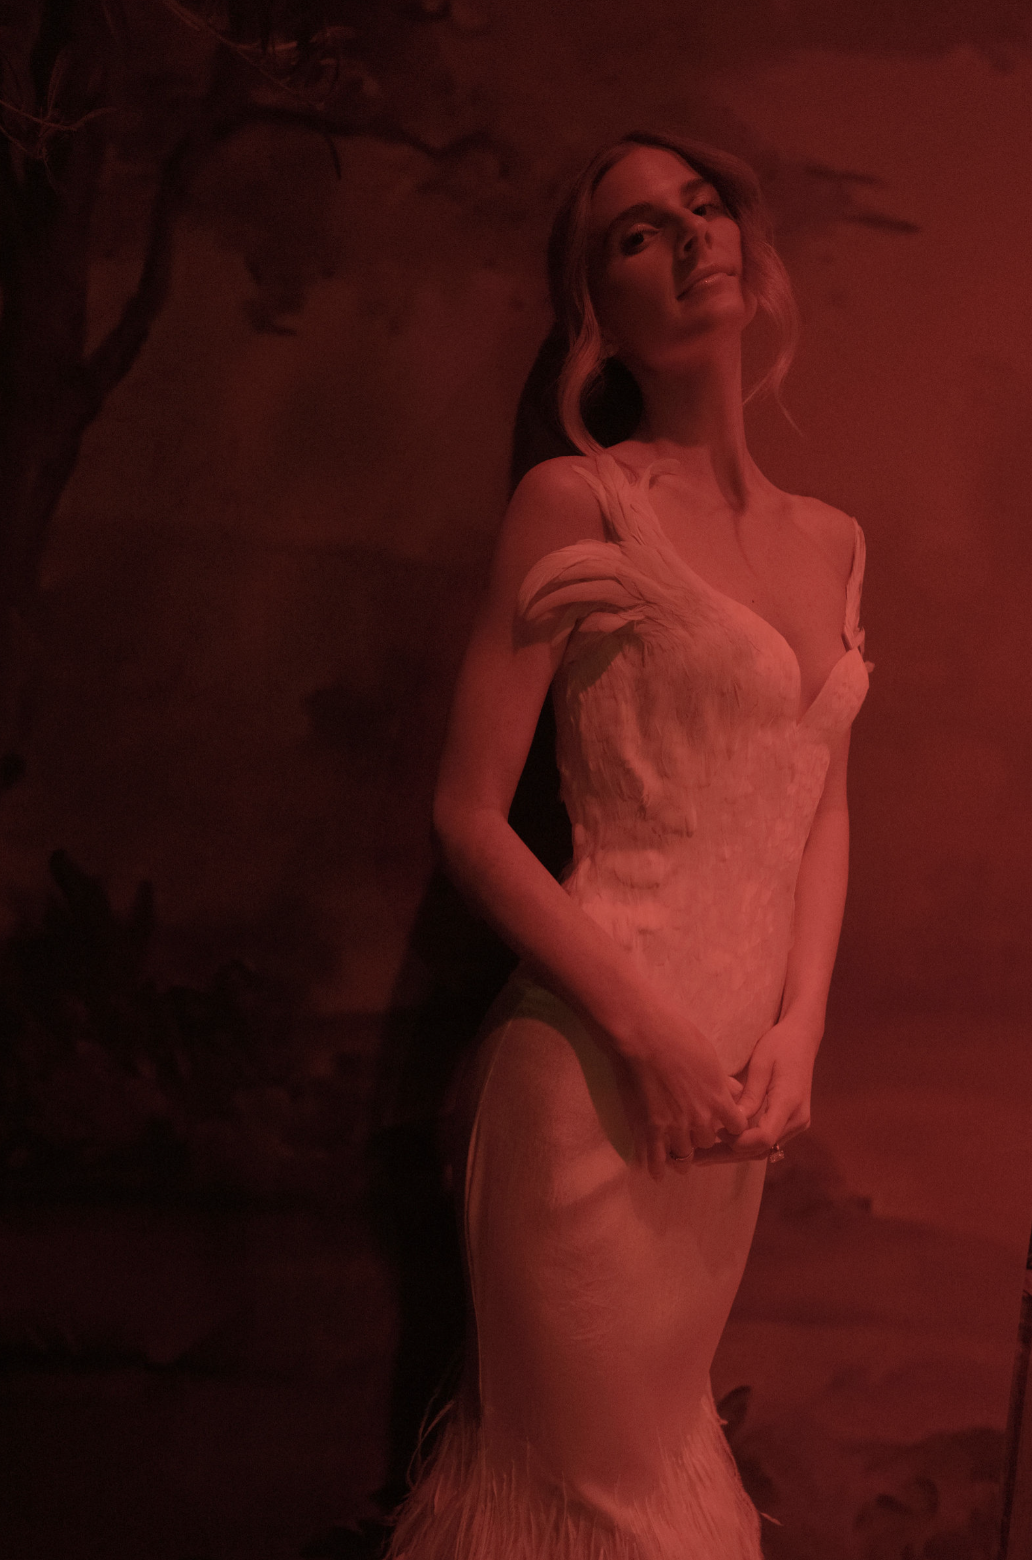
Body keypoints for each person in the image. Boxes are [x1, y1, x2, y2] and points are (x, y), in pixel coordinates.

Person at [386, 129, 871, 1559]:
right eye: (641, 231)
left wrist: (799, 1030)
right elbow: (468, 817)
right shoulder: (581, 501)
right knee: (585, 1515)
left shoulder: (836, 541)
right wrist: (649, 1031)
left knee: (661, 1474)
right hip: (593, 1081)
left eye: (705, 207)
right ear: (596, 308)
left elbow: (824, 806)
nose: (692, 237)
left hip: (731, 1113)